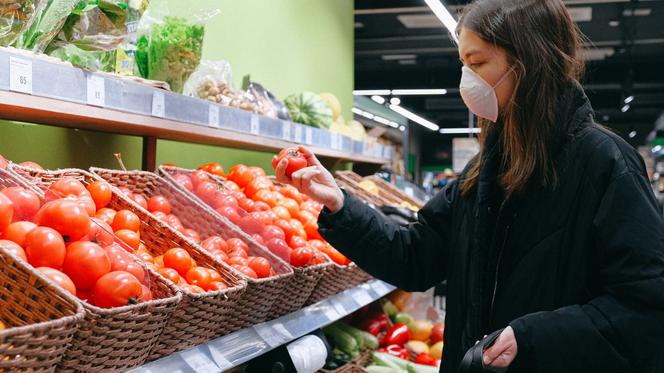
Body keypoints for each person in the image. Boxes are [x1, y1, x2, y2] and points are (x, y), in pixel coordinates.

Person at [274, 0, 664, 372]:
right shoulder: (485, 171)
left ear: (529, 64)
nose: (466, 79)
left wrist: (530, 337)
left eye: (477, 63)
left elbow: (646, 309)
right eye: (463, 63)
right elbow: (414, 256)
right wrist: (340, 205)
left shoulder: (606, 164)